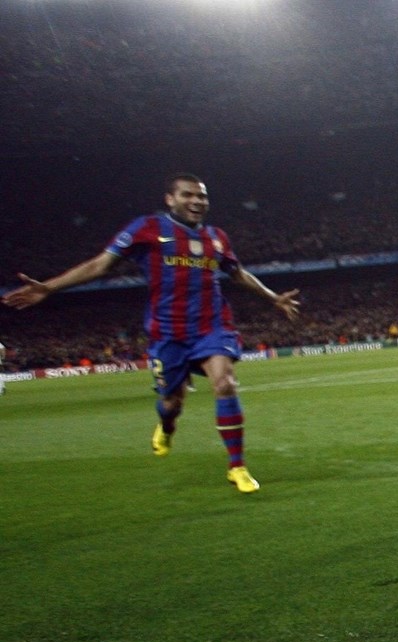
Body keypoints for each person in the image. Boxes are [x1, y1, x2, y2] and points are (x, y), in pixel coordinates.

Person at [2, 173, 300, 493]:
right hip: (167, 333)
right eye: (188, 195)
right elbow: (100, 265)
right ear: (170, 199)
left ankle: (237, 467)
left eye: (202, 196)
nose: (197, 201)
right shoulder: (147, 228)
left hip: (212, 326)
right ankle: (167, 426)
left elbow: (237, 273)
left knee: (225, 383)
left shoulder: (216, 237)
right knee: (172, 402)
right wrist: (49, 288)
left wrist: (273, 297)